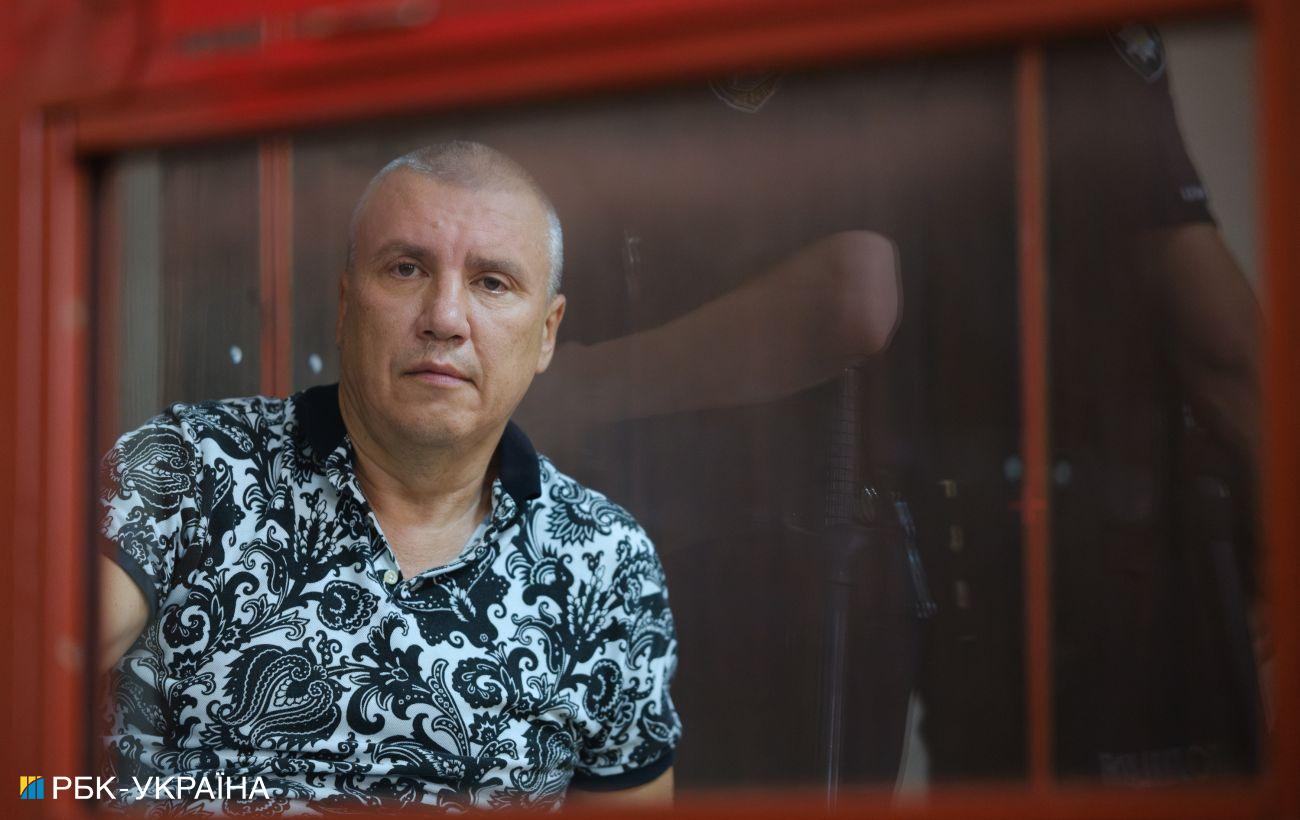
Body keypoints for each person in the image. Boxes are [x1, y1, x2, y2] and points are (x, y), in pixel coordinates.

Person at [97, 141, 681, 811]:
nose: (445, 319)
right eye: (406, 269)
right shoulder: (190, 466)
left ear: (547, 333)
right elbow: (30, 682)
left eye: (492, 283)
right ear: (346, 305)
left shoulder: (607, 562)